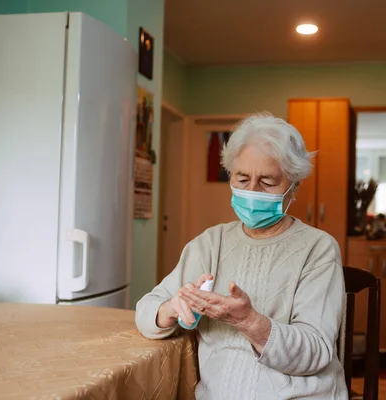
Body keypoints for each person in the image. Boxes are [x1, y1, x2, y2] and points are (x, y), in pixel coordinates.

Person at [135, 113, 348, 399]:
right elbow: (146, 310)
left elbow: (316, 351)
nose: (252, 191)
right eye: (243, 178)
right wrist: (171, 309)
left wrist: (249, 321)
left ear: (293, 187)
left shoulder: (318, 249)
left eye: (268, 182)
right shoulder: (211, 243)